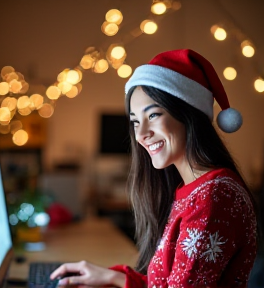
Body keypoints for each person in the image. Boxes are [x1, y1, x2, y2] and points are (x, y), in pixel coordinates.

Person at [50, 49, 257, 287]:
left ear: (189, 114)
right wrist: (115, 278)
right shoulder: (193, 190)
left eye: (154, 115)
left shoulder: (213, 197)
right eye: (135, 121)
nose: (141, 134)